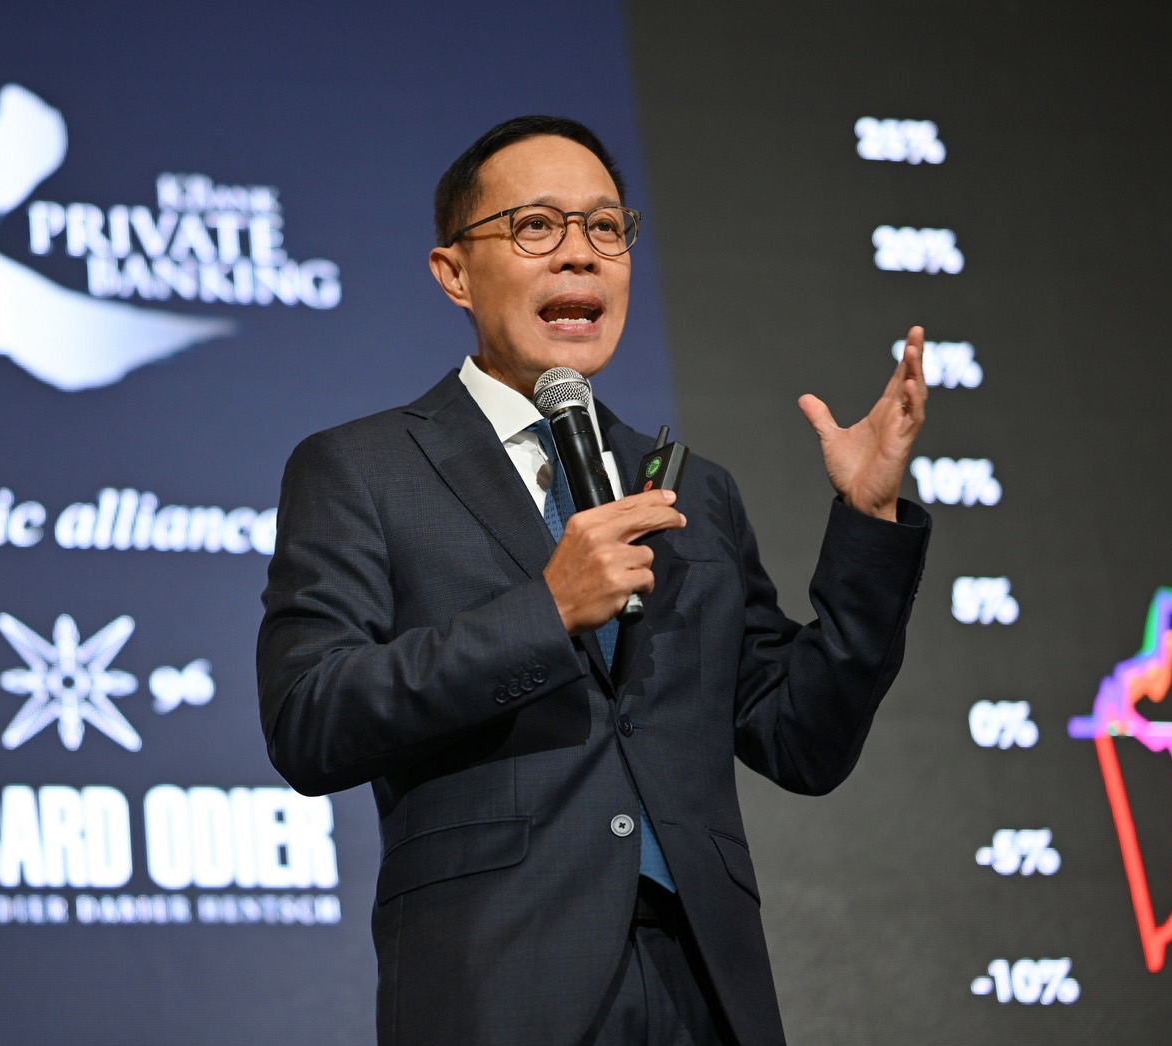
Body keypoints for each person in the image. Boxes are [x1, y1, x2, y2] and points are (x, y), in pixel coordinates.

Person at [257, 115, 930, 1046]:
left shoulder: (692, 489)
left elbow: (800, 740)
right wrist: (546, 610)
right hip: (496, 984)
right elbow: (310, 718)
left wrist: (868, 521)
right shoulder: (363, 469)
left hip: (702, 987)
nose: (580, 254)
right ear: (454, 273)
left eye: (606, 227)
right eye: (536, 226)